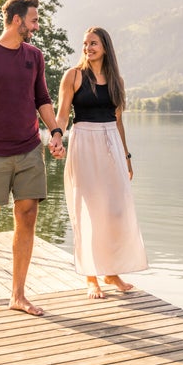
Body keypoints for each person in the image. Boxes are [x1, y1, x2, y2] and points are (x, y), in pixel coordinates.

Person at [0, 0, 66, 316]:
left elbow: (42, 98)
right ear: (17, 20)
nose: (36, 26)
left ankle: (17, 294)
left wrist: (56, 131)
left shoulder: (34, 56)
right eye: (33, 20)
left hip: (29, 148)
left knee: (28, 217)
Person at [56, 26, 148, 299]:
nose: (88, 48)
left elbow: (119, 122)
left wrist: (127, 156)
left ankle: (111, 272)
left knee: (116, 211)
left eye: (93, 43)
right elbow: (62, 115)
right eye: (85, 43)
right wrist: (58, 136)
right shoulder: (73, 76)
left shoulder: (116, 80)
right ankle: (91, 276)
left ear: (105, 47)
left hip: (111, 144)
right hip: (84, 142)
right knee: (88, 211)